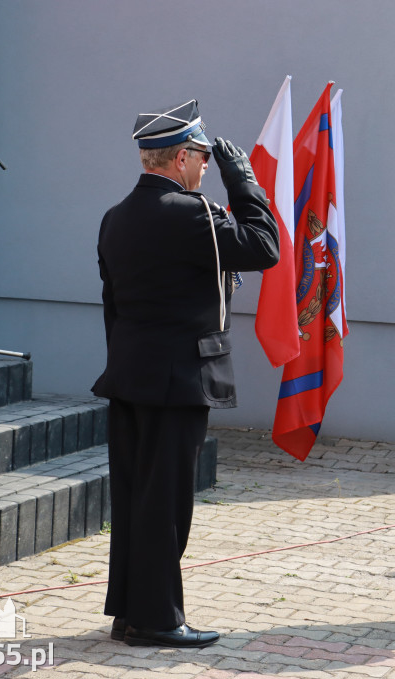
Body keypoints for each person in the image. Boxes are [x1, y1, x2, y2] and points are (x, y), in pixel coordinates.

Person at [93, 100, 280, 646]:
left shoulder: (116, 216)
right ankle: (156, 619)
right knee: (165, 503)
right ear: (179, 158)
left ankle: (129, 611)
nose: (204, 167)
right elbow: (264, 247)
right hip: (178, 380)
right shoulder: (191, 212)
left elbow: (112, 306)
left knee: (134, 498)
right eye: (201, 157)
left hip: (130, 374)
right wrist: (243, 180)